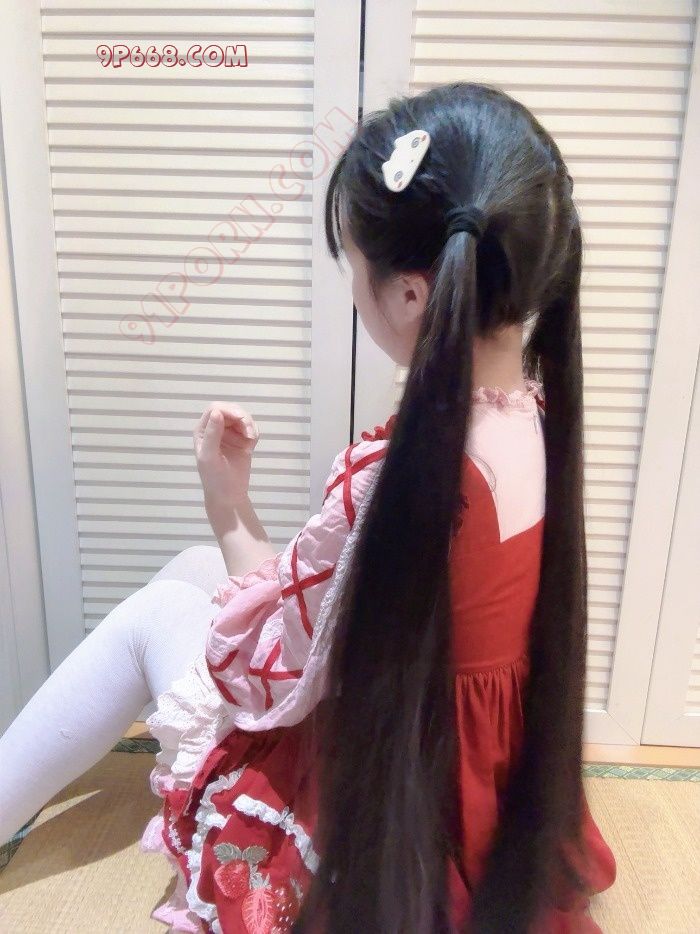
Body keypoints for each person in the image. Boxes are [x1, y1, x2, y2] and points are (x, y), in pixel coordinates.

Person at [0, 81, 616, 933]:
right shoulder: (541, 426)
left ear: (411, 295)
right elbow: (345, 613)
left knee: (156, 613)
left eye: (352, 267)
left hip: (389, 802)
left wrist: (228, 507)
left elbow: (271, 670)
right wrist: (235, 529)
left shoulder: (395, 474)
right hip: (482, 774)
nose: (352, 290)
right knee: (196, 570)